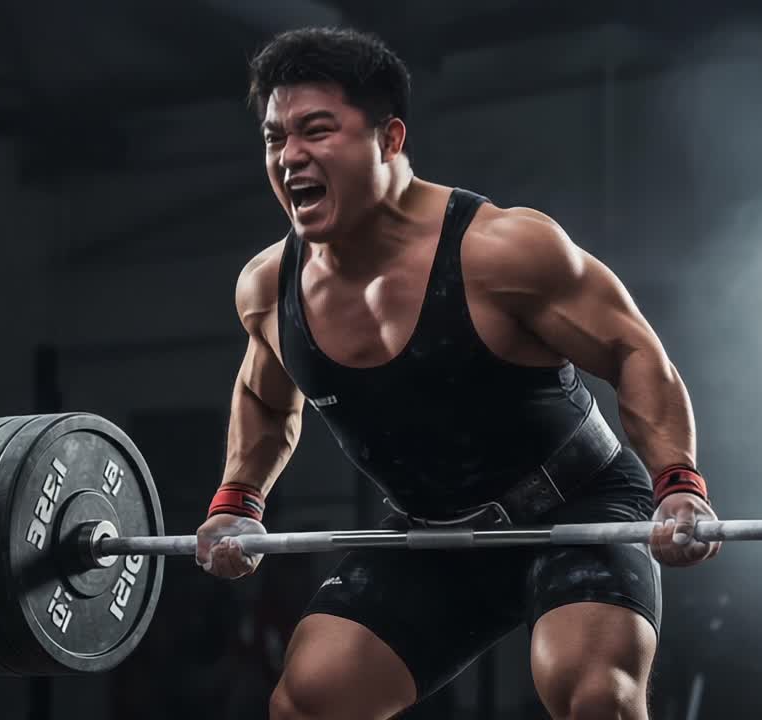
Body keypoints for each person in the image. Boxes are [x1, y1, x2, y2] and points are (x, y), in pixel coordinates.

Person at [194, 26, 721, 720]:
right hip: (431, 534)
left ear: (388, 139)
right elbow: (264, 397)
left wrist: (677, 485)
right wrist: (238, 502)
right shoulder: (268, 285)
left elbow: (633, 351)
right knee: (307, 702)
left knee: (595, 697)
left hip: (577, 506)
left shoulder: (504, 251)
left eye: (316, 131)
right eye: (274, 138)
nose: (290, 156)